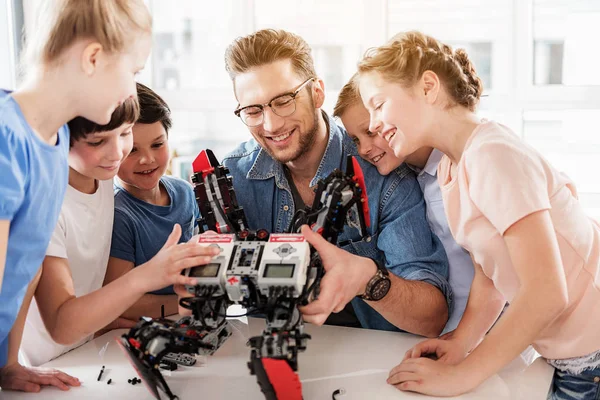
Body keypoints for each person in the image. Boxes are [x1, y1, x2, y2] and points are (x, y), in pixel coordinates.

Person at [357, 30, 600, 399]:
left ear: (427, 87)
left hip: (591, 357)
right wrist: (462, 341)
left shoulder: (492, 154)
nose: (373, 124)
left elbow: (547, 293)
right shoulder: (451, 167)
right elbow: (491, 273)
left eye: (378, 104)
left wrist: (464, 375)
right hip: (570, 355)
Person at [179, 28, 452, 337]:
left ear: (317, 92)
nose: (271, 124)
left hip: (370, 359)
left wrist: (367, 279)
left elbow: (432, 317)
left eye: (283, 101)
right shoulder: (231, 178)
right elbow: (202, 295)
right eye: (253, 110)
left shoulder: (383, 174)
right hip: (270, 353)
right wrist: (195, 284)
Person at [0, 0, 151, 392]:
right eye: (132, 71)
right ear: (93, 58)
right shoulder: (5, 140)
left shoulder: (53, 143)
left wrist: (8, 363)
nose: (131, 89)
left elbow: (27, 268)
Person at [333, 75, 483, 336]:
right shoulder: (413, 175)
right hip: (454, 334)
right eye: (355, 140)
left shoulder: (465, 168)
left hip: (487, 334)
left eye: (370, 131)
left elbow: (496, 277)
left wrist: (464, 341)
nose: (365, 149)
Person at [105, 83, 201, 320]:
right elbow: (121, 303)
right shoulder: (119, 214)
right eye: (132, 151)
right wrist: (189, 302)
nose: (147, 159)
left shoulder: (185, 192)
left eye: (158, 144)